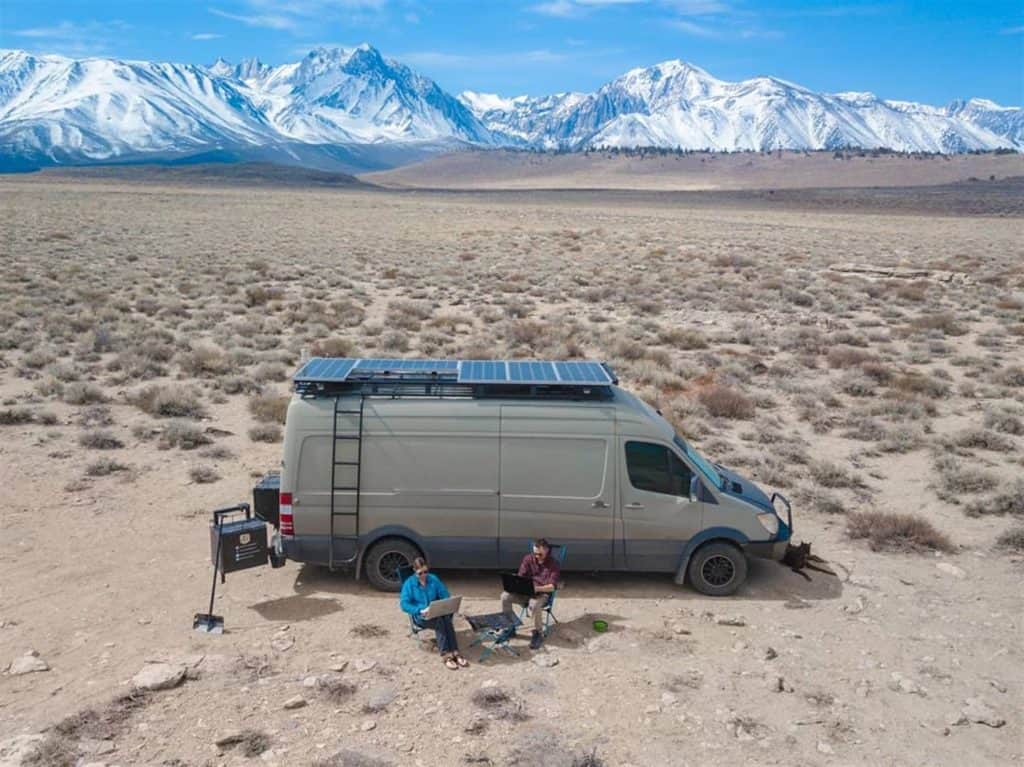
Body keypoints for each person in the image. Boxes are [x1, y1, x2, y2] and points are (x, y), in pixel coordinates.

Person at [399, 557, 469, 670]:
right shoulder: (409, 584)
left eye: (425, 572)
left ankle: (454, 652)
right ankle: (447, 655)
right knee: (441, 622)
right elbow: (404, 604)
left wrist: (441, 604)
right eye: (420, 573)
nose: (423, 575)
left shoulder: (433, 579)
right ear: (414, 571)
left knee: (445, 618)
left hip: (437, 611)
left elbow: (445, 594)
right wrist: (420, 610)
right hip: (421, 616)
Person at [501, 538, 561, 650]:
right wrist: (515, 585)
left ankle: (538, 633)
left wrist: (537, 588)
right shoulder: (528, 559)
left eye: (540, 554)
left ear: (547, 551)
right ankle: (510, 628)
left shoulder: (553, 564)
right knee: (505, 596)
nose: (537, 556)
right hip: (525, 593)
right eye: (535, 553)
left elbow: (552, 587)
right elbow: (521, 577)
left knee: (534, 604)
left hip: (541, 594)